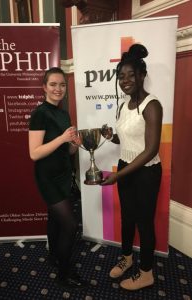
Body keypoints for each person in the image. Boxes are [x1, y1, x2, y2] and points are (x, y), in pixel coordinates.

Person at [101, 44, 163, 291]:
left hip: (146, 171)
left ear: (142, 75)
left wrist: (118, 176)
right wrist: (110, 136)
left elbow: (150, 150)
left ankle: (146, 272)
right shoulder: (123, 104)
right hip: (126, 165)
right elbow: (126, 139)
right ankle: (127, 258)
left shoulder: (152, 105)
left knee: (144, 222)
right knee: (127, 218)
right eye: (121, 76)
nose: (125, 81)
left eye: (131, 75)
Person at [28, 67, 84, 289]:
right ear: (44, 87)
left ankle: (54, 256)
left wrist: (74, 145)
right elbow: (34, 153)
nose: (58, 88)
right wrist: (62, 138)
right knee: (70, 226)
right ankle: (64, 272)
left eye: (62, 84)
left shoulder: (64, 113)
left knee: (54, 220)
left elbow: (67, 152)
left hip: (63, 174)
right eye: (53, 84)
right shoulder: (39, 113)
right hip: (48, 178)